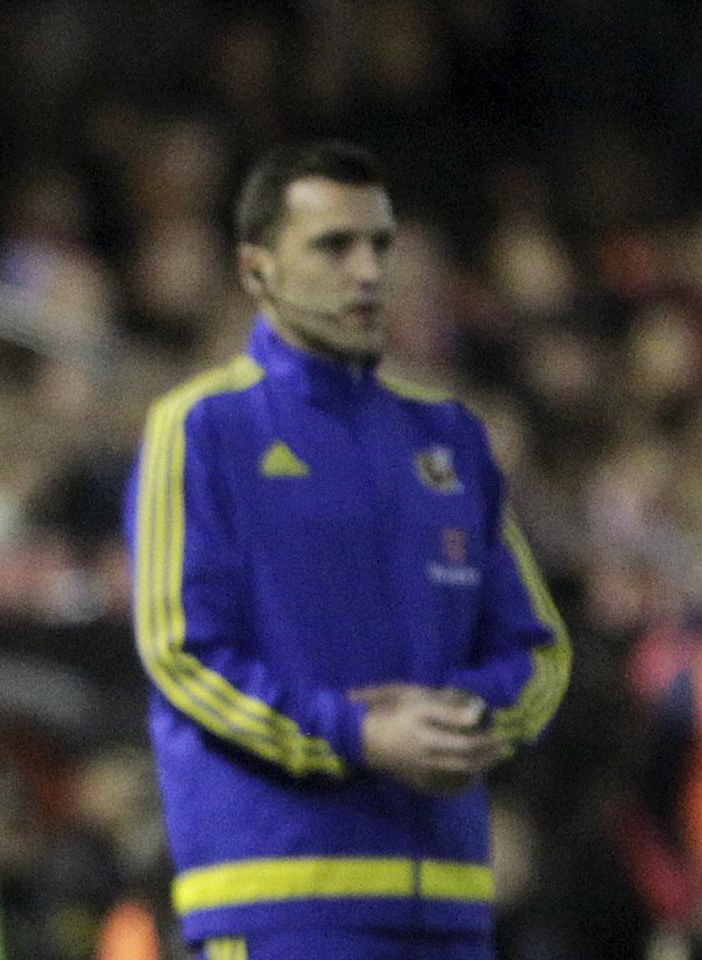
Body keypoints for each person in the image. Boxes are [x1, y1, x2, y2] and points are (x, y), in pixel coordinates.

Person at [124, 141, 571, 960]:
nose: (368, 271)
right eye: (334, 246)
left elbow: (536, 650)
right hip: (276, 898)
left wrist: (466, 718)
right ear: (257, 270)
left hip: (450, 901)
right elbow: (181, 651)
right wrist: (359, 735)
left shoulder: (451, 438)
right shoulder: (201, 429)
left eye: (381, 245)